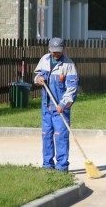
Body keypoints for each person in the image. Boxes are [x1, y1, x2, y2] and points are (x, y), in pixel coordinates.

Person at [34, 37, 79, 172]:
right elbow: (36, 75)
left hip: (60, 108)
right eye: (54, 51)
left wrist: (63, 104)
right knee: (46, 135)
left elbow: (72, 88)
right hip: (46, 106)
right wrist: (38, 79)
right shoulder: (44, 60)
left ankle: (61, 167)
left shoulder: (68, 65)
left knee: (61, 136)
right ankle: (47, 165)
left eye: (58, 51)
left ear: (62, 50)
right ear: (49, 49)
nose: (56, 54)